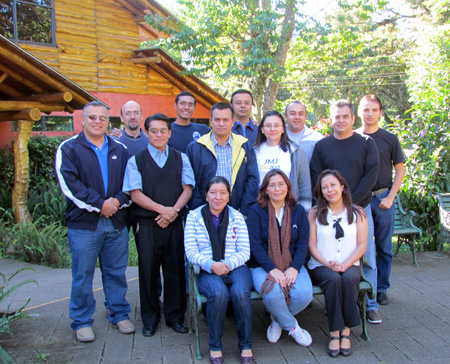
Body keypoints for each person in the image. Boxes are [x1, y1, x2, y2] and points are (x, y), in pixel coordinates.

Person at [55, 101, 135, 342]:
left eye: (102, 118)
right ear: (83, 120)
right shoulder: (68, 148)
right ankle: (81, 320)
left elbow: (130, 183)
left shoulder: (120, 149)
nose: (98, 121)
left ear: (108, 121)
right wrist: (101, 204)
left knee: (116, 272)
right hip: (84, 224)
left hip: (116, 222)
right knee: (82, 275)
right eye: (92, 117)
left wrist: (117, 202)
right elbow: (70, 185)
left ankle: (118, 313)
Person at [123, 113, 195, 337]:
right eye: (153, 130)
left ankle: (175, 317)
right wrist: (163, 210)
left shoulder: (181, 158)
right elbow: (135, 194)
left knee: (175, 271)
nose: (159, 134)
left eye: (163, 130)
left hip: (174, 224)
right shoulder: (136, 160)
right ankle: (150, 319)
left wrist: (172, 212)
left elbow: (188, 189)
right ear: (147, 133)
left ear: (169, 133)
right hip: (147, 225)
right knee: (148, 272)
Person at [310, 99, 381, 324]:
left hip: (359, 210)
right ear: (331, 119)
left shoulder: (367, 143)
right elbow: (316, 176)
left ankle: (370, 304)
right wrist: (332, 204)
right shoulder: (322, 145)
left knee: (366, 257)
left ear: (352, 118)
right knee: (332, 254)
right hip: (328, 211)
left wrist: (350, 205)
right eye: (336, 116)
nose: (340, 120)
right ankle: (337, 299)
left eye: (345, 116)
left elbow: (371, 175)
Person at [184, 176, 254, 364]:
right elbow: (191, 252)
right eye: (213, 192)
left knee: (240, 293)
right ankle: (215, 347)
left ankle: (246, 345)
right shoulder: (194, 217)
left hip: (236, 266)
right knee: (218, 293)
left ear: (229, 196)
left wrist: (227, 264)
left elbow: (245, 251)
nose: (218, 197)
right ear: (206, 195)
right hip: (208, 268)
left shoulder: (237, 217)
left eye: (223, 193)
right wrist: (212, 265)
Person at [246, 169, 313, 346]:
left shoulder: (298, 211)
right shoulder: (256, 211)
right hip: (262, 265)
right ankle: (292, 328)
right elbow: (255, 246)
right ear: (265, 190)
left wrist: (294, 267)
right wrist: (272, 269)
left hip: (292, 263)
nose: (277, 189)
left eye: (281, 184)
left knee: (304, 294)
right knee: (273, 294)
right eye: (272, 185)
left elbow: (302, 243)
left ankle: (277, 320)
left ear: (288, 187)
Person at [308, 170, 368, 358]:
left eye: (333, 185)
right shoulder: (315, 213)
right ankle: (335, 332)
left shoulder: (358, 212)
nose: (329, 190)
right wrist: (327, 263)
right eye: (324, 187)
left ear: (342, 186)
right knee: (333, 280)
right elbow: (311, 245)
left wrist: (346, 264)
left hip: (350, 264)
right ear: (321, 191)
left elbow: (362, 245)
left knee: (349, 278)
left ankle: (346, 331)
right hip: (321, 265)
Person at [357, 94, 405, 306]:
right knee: (362, 248)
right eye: (366, 110)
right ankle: (363, 287)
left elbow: (400, 169)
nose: (369, 114)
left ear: (381, 113)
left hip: (384, 197)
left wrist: (391, 196)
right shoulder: (353, 137)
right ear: (359, 112)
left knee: (384, 247)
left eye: (374, 110)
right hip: (362, 200)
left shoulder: (390, 138)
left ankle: (382, 288)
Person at [187, 102, 259, 217]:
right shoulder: (196, 147)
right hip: (205, 210)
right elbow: (191, 182)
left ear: (232, 122)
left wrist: (245, 210)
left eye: (225, 120)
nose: (221, 124)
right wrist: (200, 210)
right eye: (217, 119)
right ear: (211, 121)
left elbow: (252, 179)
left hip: (237, 211)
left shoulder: (245, 146)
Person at [254, 110, 312, 211]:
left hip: (289, 207)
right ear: (262, 129)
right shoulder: (254, 151)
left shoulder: (296, 151)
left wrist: (305, 211)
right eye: (268, 125)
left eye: (277, 125)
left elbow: (304, 184)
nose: (272, 129)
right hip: (260, 208)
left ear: (283, 129)